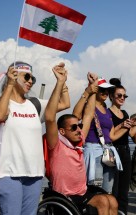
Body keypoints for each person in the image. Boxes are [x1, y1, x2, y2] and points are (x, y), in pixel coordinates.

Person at [0, 61, 70, 215]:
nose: (30, 81)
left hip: (34, 173)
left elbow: (65, 103)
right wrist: (9, 85)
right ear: (12, 75)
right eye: (26, 76)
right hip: (8, 173)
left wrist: (61, 82)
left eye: (33, 78)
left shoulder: (35, 104)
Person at [44, 70, 118, 215]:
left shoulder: (78, 141)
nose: (79, 129)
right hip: (64, 195)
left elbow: (89, 114)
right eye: (73, 127)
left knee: (112, 200)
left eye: (79, 126)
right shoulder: (56, 144)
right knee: (103, 203)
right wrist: (60, 82)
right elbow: (50, 117)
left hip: (82, 192)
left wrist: (92, 87)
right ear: (62, 131)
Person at [73, 76, 132, 193]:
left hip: (107, 151)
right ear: (96, 91)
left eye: (107, 90)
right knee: (96, 190)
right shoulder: (90, 106)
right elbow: (76, 115)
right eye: (102, 90)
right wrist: (88, 91)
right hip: (94, 150)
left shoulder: (106, 110)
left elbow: (112, 136)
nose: (105, 92)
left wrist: (125, 127)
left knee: (107, 191)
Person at [108, 78, 132, 214]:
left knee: (124, 190)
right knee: (114, 189)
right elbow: (110, 134)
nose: (122, 98)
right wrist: (122, 125)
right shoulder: (107, 113)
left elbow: (130, 134)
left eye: (124, 96)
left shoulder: (125, 114)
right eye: (119, 95)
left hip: (126, 152)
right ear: (111, 96)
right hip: (113, 152)